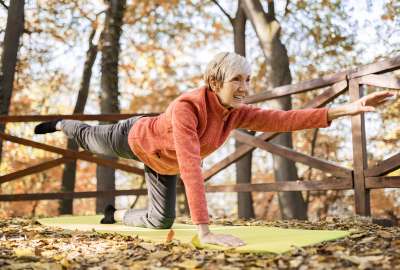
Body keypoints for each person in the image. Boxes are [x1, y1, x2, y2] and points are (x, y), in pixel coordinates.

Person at [34, 52, 396, 247]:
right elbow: (192, 166)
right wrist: (205, 231)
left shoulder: (236, 113)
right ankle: (64, 124)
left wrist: (346, 108)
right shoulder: (186, 109)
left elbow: (285, 119)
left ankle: (116, 215)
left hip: (164, 164)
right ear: (213, 82)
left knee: (160, 221)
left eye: (249, 79)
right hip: (134, 137)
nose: (245, 86)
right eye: (237, 79)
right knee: (91, 137)